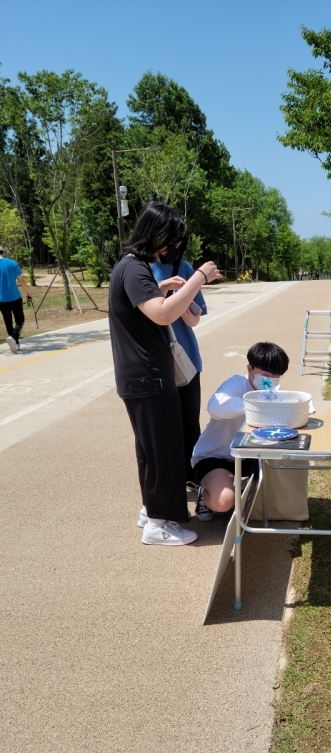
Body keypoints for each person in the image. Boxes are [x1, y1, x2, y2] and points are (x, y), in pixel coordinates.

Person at [108, 201, 222, 546]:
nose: (171, 248)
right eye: (168, 239)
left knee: (152, 449)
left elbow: (153, 308)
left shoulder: (131, 268)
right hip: (147, 374)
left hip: (144, 373)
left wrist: (166, 289)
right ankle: (160, 523)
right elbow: (160, 315)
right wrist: (199, 276)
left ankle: (151, 509)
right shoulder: (134, 268)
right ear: (153, 233)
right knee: (164, 450)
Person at [191, 342, 290, 521]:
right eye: (265, 374)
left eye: (276, 375)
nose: (271, 380)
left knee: (274, 488)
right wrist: (254, 403)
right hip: (215, 456)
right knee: (224, 501)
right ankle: (205, 493)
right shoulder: (237, 383)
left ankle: (241, 485)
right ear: (250, 369)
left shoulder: (273, 391)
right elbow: (214, 407)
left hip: (247, 454)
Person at [149, 255, 208, 492]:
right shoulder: (140, 268)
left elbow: (194, 320)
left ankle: (192, 475)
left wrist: (181, 304)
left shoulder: (182, 266)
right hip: (155, 360)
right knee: (163, 428)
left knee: (189, 423)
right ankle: (169, 483)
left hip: (186, 359)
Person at [0, 246, 32, 354]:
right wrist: (28, 293)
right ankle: (13, 338)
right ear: (2, 252)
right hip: (15, 297)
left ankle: (16, 344)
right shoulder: (12, 263)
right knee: (20, 320)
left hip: (1, 300)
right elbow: (21, 279)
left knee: (8, 321)